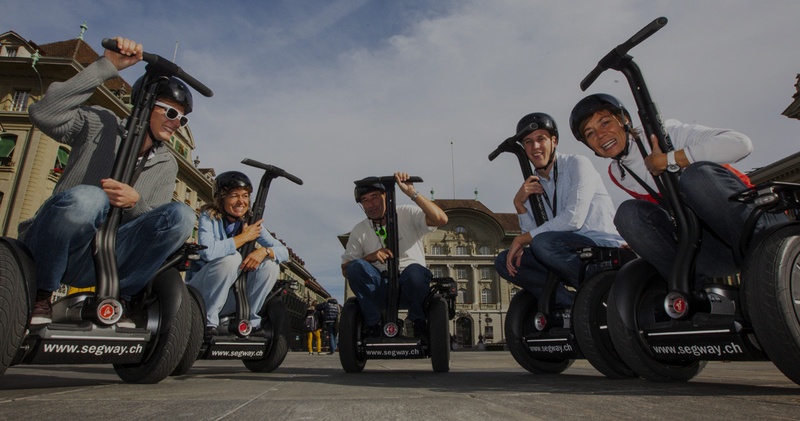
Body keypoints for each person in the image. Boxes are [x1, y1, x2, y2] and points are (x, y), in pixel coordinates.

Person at [22, 37, 196, 326]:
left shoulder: (168, 164)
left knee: (183, 215)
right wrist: (107, 66)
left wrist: (136, 204)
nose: (177, 122)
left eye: (183, 119)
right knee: (91, 198)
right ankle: (40, 293)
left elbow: (155, 225)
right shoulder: (99, 122)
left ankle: (122, 298)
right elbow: (44, 114)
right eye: (171, 112)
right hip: (58, 244)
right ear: (145, 104)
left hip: (106, 258)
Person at [569, 93, 787, 284]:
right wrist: (640, 239)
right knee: (627, 214)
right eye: (590, 133)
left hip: (759, 228)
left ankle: (770, 263)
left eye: (605, 123)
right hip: (714, 249)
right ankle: (696, 292)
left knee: (695, 177)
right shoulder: (619, 173)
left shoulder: (663, 133)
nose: (600, 135)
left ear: (624, 120)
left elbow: (741, 144)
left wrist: (671, 159)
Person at [493, 113, 625, 307]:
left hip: (601, 247)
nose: (535, 147)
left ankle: (592, 291)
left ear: (554, 141)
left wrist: (522, 239)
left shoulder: (577, 164)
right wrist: (520, 206)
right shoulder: (533, 186)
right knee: (505, 260)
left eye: (541, 139)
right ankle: (572, 304)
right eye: (528, 142)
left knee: (543, 243)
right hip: (564, 253)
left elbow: (573, 219)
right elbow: (535, 235)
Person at [341, 172, 448, 338]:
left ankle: (415, 320)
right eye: (365, 200)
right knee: (355, 267)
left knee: (416, 272)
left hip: (410, 286)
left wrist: (411, 192)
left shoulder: (406, 213)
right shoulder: (359, 230)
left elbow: (441, 219)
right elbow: (346, 269)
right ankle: (373, 323)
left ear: (385, 196)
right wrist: (370, 257)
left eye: (375, 197)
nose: (371, 204)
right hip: (380, 287)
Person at [186, 171, 287, 337]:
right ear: (222, 198)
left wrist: (265, 251)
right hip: (201, 295)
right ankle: (209, 322)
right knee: (232, 258)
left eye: (245, 196)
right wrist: (243, 238)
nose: (241, 201)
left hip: (231, 297)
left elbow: (283, 252)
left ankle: (251, 322)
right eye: (234, 196)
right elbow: (208, 252)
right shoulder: (209, 217)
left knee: (270, 264)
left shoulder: (251, 223)